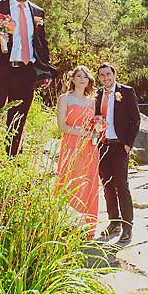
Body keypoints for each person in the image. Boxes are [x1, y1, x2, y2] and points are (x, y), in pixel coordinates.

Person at [0, 0, 56, 156]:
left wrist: (46, 70)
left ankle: (12, 161)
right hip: (0, 70)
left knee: (18, 120)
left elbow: (41, 42)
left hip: (26, 72)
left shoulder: (38, 12)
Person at [95, 62, 140, 243]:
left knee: (122, 186)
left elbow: (135, 119)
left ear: (114, 74)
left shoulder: (126, 92)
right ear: (99, 77)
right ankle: (114, 222)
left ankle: (127, 227)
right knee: (107, 186)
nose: (106, 78)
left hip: (120, 146)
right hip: (102, 145)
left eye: (108, 74)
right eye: (102, 75)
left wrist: (128, 144)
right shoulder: (97, 94)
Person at [55, 65, 100, 240]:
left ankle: (87, 227)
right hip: (71, 144)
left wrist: (96, 132)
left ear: (89, 81)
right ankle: (68, 226)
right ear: (73, 79)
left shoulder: (91, 101)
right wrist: (82, 132)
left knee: (87, 183)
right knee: (71, 181)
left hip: (89, 147)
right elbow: (61, 126)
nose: (82, 79)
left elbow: (93, 124)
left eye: (85, 76)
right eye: (79, 76)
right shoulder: (65, 98)